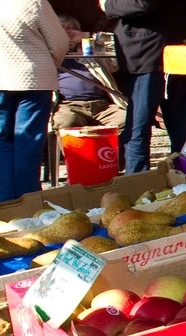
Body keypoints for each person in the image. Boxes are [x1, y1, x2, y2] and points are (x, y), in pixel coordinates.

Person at [105, 0, 186, 174]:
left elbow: (141, 3)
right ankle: (185, 178)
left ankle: (137, 185)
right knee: (179, 127)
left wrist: (108, 5)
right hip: (175, 50)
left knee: (137, 128)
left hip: (149, 51)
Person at [0, 0, 67, 200]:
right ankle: (29, 200)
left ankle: (5, 201)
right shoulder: (33, 2)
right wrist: (51, 62)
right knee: (28, 142)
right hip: (35, 78)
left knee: (2, 141)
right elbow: (59, 42)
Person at [53, 14, 125, 130]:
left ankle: (113, 149)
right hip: (69, 106)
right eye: (61, 28)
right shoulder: (50, 53)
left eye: (71, 28)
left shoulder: (90, 50)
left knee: (125, 118)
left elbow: (119, 48)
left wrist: (88, 36)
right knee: (65, 121)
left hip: (101, 106)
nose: (67, 32)